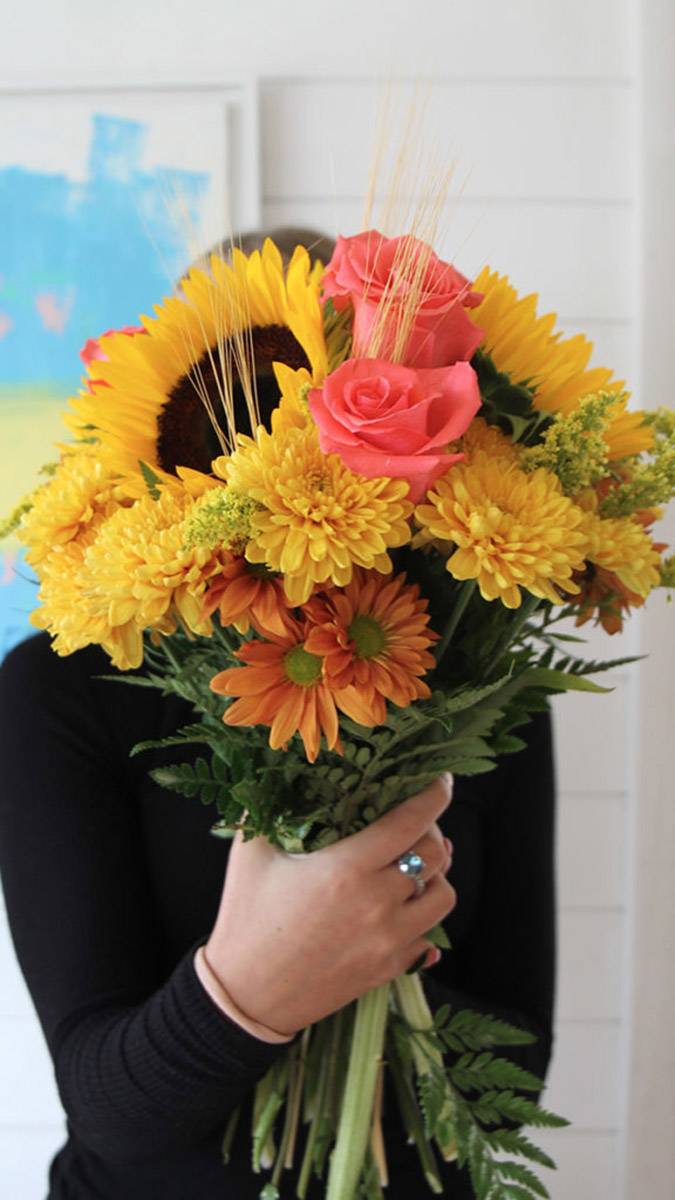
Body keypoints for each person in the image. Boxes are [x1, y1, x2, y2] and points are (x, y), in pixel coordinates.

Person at [0, 229, 556, 1199]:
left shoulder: (471, 671)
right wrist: (260, 982)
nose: (277, 457)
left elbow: (509, 1081)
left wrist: (371, 942)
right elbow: (107, 1112)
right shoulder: (63, 685)